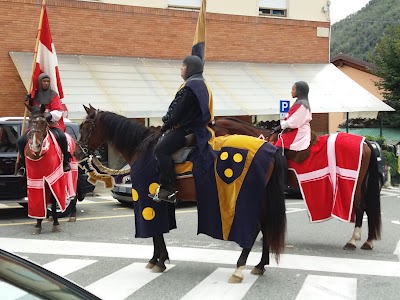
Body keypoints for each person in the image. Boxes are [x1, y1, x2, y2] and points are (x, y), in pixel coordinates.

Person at [153, 55, 214, 203]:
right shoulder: (203, 84)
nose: (180, 68)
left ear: (190, 68)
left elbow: (175, 113)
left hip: (187, 130)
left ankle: (168, 189)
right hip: (199, 128)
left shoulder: (190, 87)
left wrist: (165, 124)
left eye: (182, 66)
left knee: (160, 150)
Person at [16, 73, 71, 176]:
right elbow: (30, 109)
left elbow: (59, 111)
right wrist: (28, 99)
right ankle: (23, 165)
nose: (46, 83)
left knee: (62, 137)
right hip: (36, 125)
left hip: (50, 124)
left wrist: (49, 116)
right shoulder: (34, 95)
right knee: (20, 141)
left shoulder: (53, 95)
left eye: (47, 81)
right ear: (40, 82)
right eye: (44, 81)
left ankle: (65, 161)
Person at [273, 81, 312, 152]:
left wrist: (281, 126)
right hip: (295, 129)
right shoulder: (299, 102)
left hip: (298, 132)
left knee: (279, 145)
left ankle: (281, 163)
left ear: (299, 91)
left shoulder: (301, 104)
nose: (291, 92)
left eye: (293, 89)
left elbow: (293, 121)